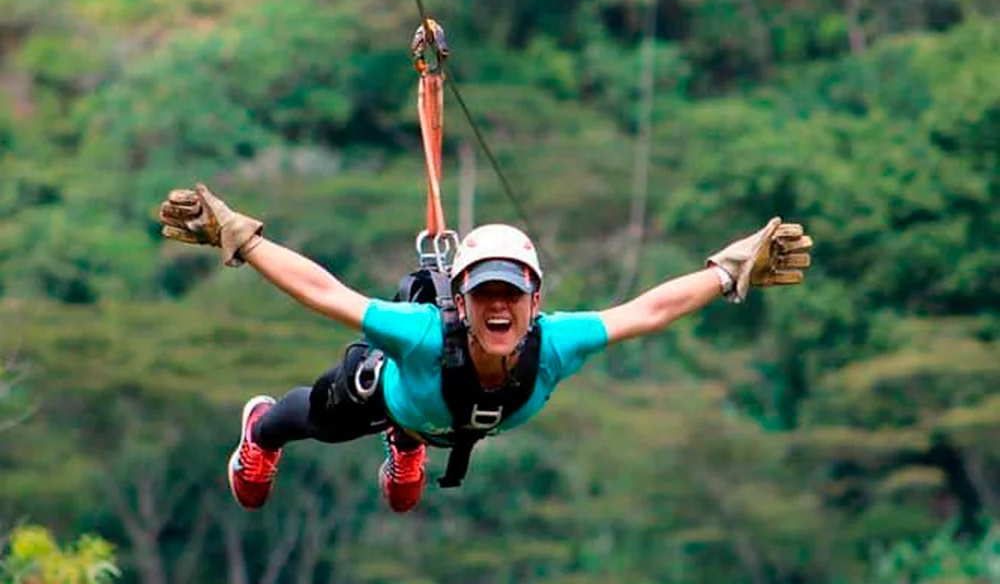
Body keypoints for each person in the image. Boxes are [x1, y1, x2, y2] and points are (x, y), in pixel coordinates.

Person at [157, 183, 813, 513]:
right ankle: (260, 432)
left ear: (534, 300)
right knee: (327, 416)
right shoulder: (420, 333)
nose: (498, 307)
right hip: (396, 395)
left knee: (420, 439)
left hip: (438, 419)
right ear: (462, 302)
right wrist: (241, 238)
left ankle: (408, 444)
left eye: (511, 295)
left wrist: (728, 271)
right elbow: (324, 293)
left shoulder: (555, 344)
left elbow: (648, 311)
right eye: (483, 295)